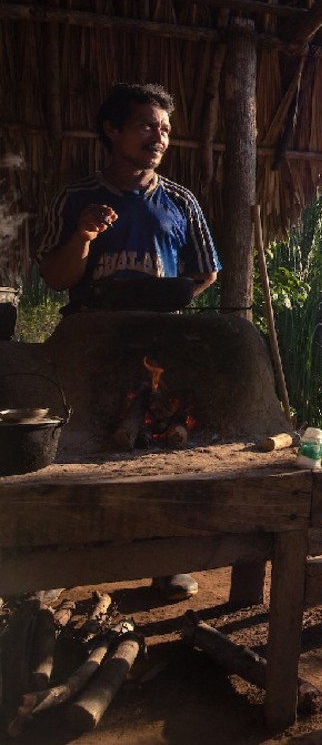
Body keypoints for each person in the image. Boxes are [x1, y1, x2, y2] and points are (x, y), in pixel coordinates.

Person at [37, 82, 221, 602]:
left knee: (162, 443)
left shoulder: (180, 201)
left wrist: (168, 297)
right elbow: (55, 276)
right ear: (112, 131)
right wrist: (83, 238)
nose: (158, 137)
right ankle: (69, 559)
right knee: (88, 445)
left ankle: (169, 560)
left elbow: (205, 272)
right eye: (145, 126)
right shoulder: (77, 199)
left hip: (158, 348)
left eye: (164, 129)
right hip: (90, 343)